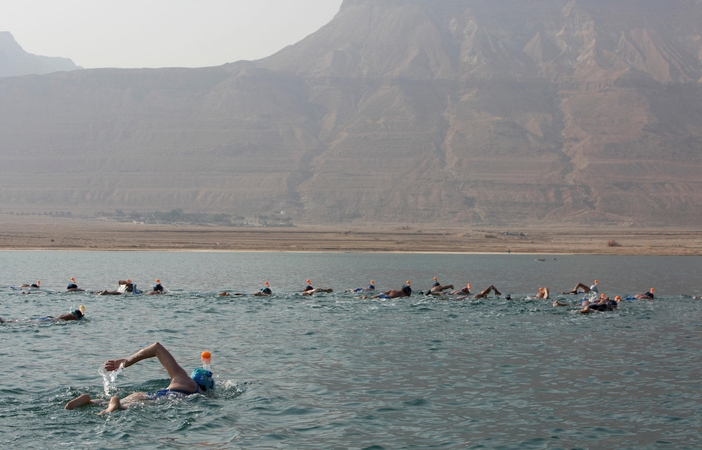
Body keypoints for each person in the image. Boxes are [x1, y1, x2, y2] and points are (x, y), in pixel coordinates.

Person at [65, 342, 214, 413]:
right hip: (156, 401)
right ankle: (114, 404)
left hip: (145, 395)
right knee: (122, 407)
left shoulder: (181, 378)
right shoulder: (199, 393)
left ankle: (89, 401)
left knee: (107, 402)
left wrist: (127, 362)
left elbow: (156, 347)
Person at [1, 307, 84, 323]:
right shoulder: (73, 317)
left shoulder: (67, 314)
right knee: (28, 322)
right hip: (49, 321)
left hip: (47, 319)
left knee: (28, 321)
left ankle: (6, 321)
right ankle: (5, 322)